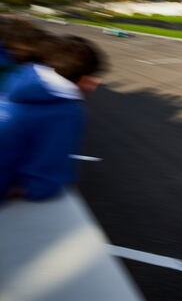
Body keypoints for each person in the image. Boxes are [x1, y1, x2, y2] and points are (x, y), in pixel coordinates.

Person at [0, 33, 105, 202]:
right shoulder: (67, 111)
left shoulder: (22, 75)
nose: (96, 82)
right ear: (84, 79)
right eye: (93, 76)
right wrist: (33, 189)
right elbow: (46, 178)